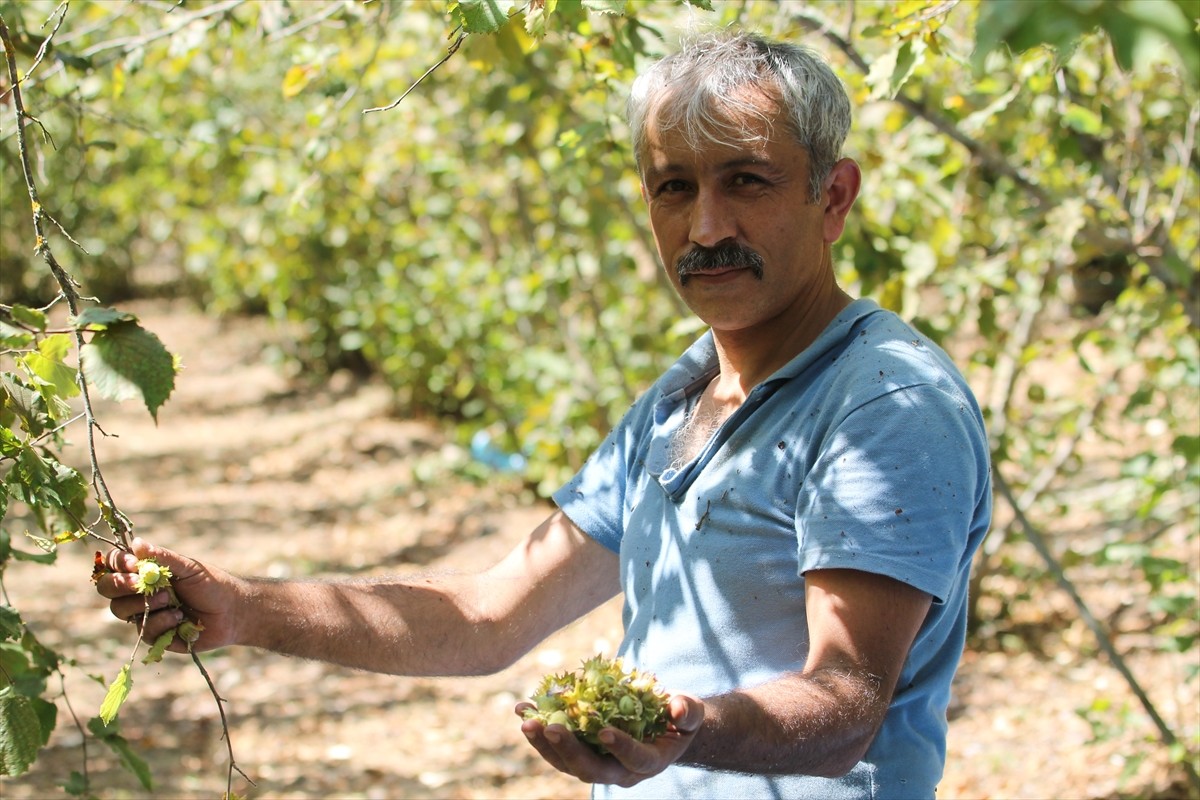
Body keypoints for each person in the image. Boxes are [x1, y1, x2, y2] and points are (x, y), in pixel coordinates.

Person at [97, 30, 991, 799]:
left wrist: (689, 727)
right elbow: (490, 615)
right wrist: (246, 609)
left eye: (746, 180)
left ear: (831, 197)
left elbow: (844, 707)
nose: (705, 224)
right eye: (672, 187)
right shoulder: (683, 397)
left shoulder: (884, 405)